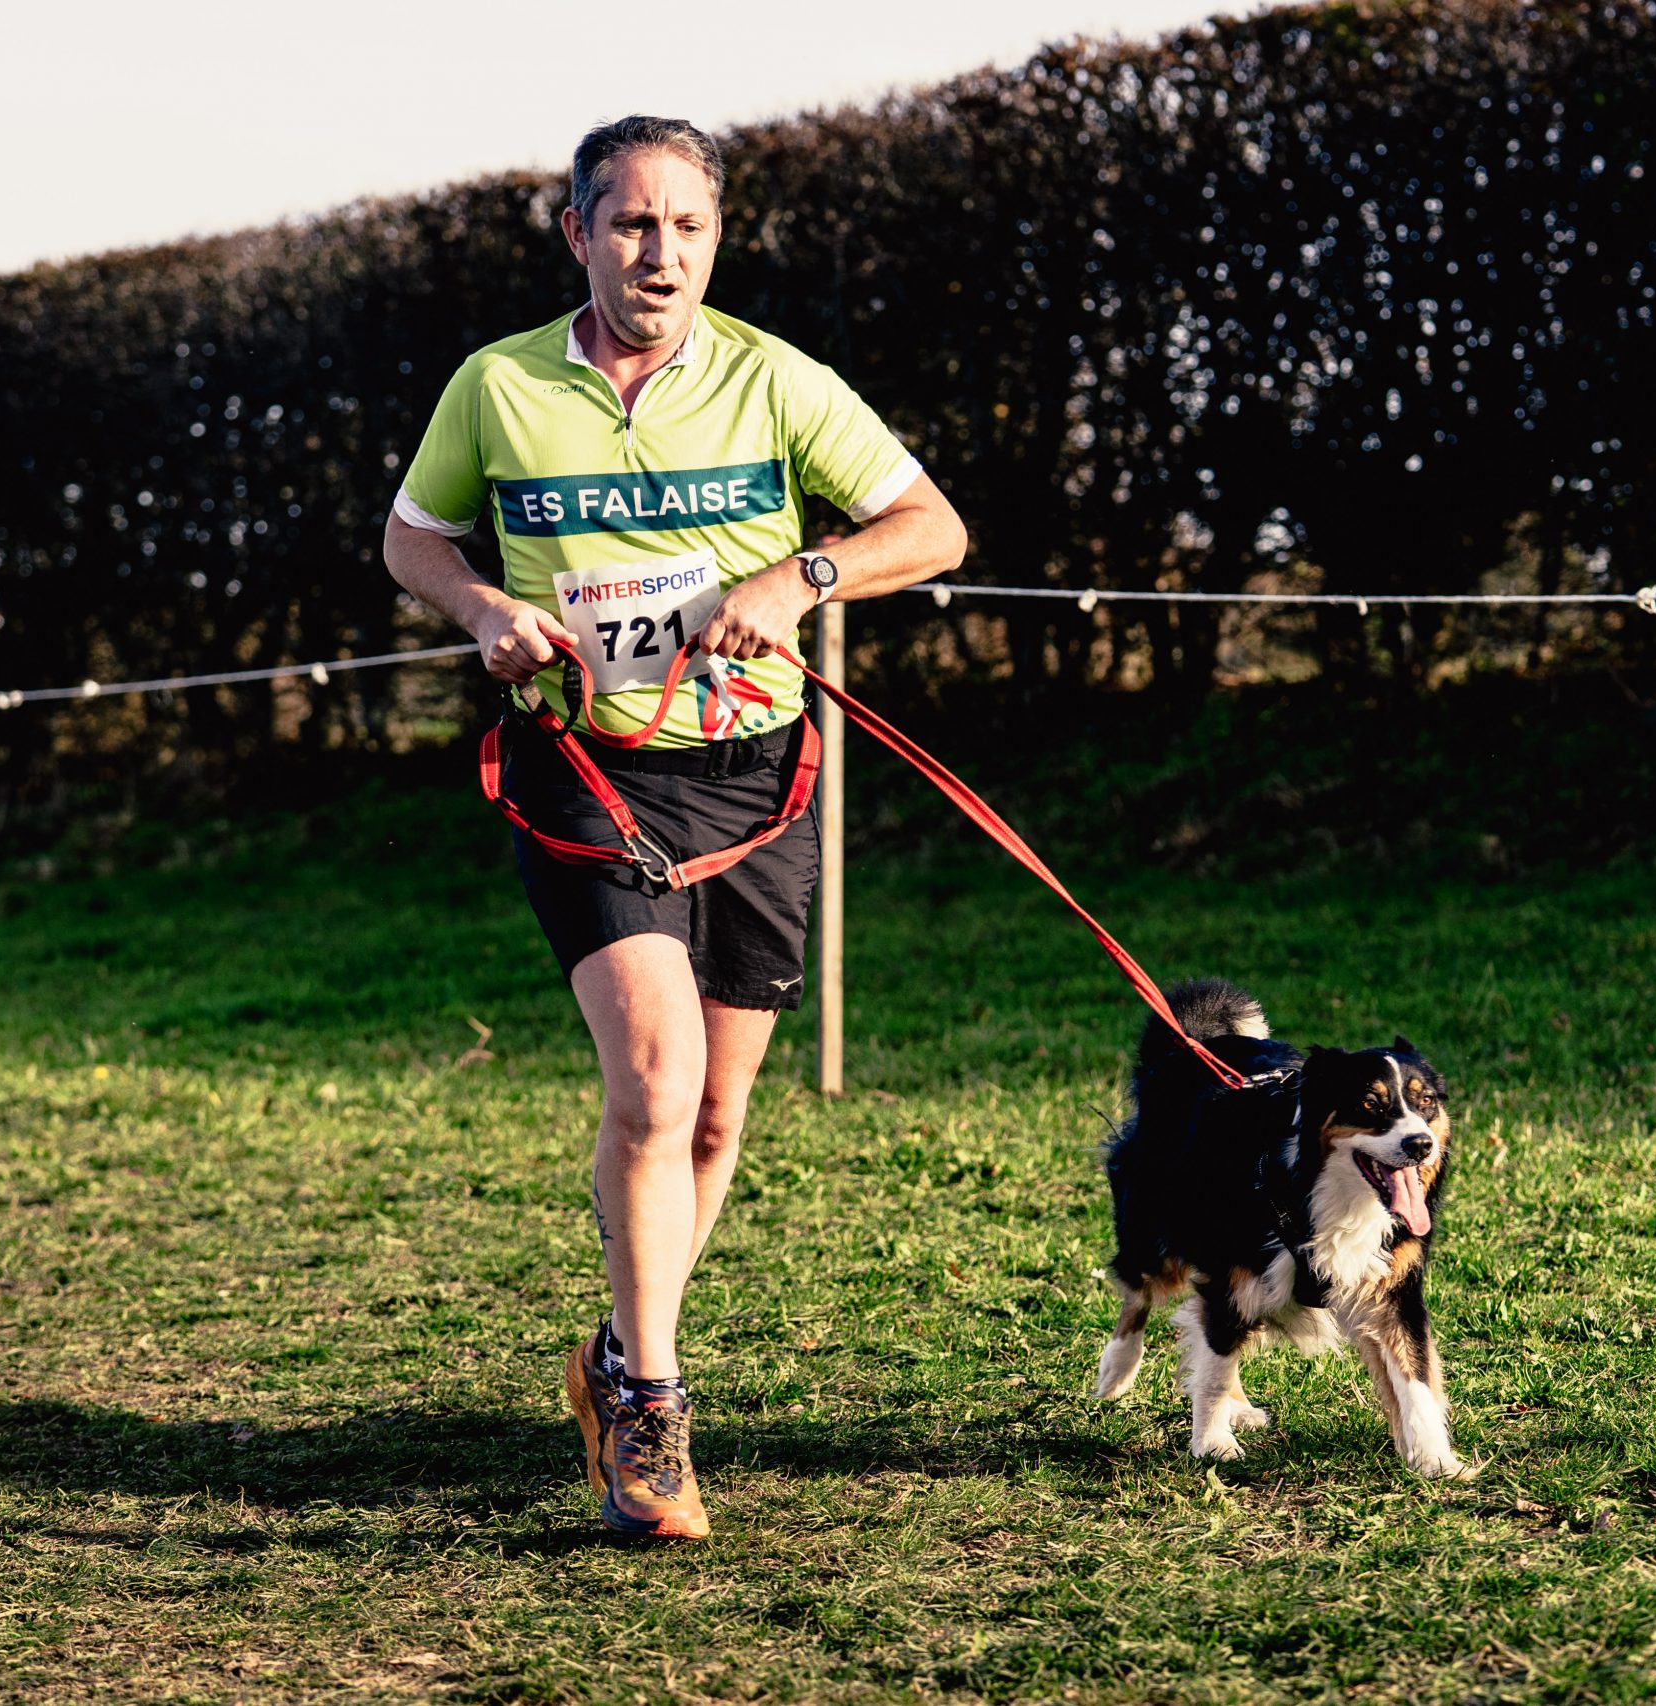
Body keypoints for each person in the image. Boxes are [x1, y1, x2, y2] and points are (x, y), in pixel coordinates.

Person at [381, 115, 966, 1539]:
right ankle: (653, 1409)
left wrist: (799, 576)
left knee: (712, 1116)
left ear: (716, 237)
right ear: (576, 233)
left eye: (688, 226)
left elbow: (931, 528)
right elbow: (413, 537)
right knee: (653, 1077)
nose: (662, 252)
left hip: (755, 776)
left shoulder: (776, 379)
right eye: (633, 223)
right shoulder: (498, 387)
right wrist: (486, 610)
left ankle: (612, 1352)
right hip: (584, 768)